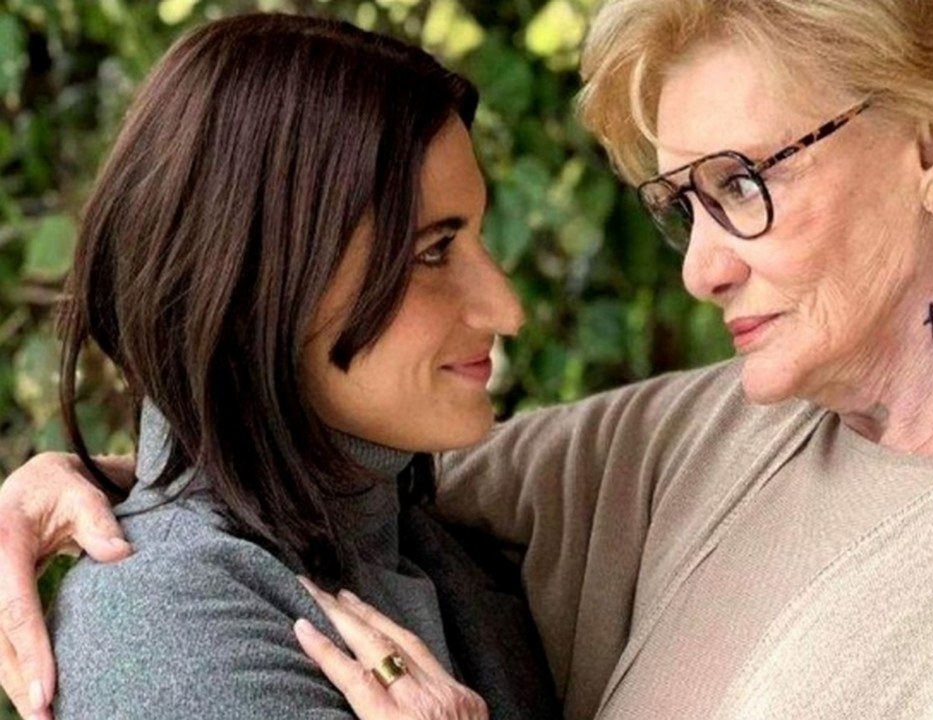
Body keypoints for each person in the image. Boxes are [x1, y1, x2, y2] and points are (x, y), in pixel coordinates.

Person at [4, 0, 933, 718]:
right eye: (686, 204)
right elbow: (324, 468)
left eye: (743, 183)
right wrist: (84, 490)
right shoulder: (691, 439)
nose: (701, 268)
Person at [0, 12, 562, 720]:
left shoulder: (425, 532)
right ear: (256, 288)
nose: (505, 308)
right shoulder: (177, 628)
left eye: (474, 237)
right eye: (431, 252)